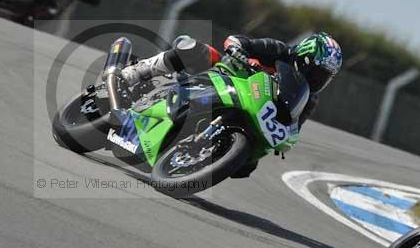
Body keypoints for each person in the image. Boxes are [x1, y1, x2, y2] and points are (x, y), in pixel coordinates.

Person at [120, 32, 343, 177]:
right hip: (224, 76)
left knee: (247, 166)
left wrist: (287, 137)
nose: (318, 80)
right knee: (201, 50)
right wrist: (239, 51)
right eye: (317, 72)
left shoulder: (309, 98)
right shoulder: (278, 50)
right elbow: (236, 40)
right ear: (304, 58)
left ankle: (200, 156)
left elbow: (294, 124)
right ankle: (141, 71)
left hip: (253, 111)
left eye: (325, 77)